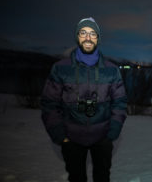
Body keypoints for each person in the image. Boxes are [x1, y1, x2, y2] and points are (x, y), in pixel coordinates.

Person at [41, 17, 127, 182]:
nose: (88, 38)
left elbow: (120, 103)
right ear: (77, 37)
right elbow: (49, 103)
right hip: (71, 139)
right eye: (83, 33)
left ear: (98, 38)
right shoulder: (61, 68)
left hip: (102, 138)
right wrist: (60, 136)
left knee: (102, 177)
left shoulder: (111, 70)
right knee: (76, 178)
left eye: (92, 34)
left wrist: (112, 132)